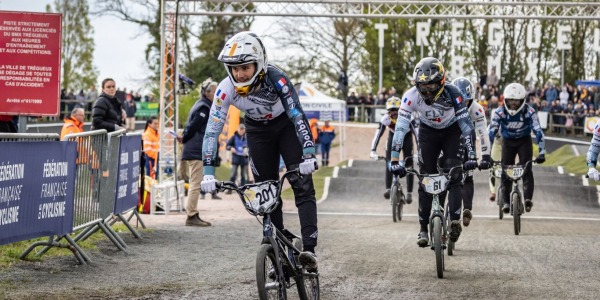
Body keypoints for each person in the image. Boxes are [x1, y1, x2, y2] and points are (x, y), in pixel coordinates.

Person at [200, 31, 319, 272]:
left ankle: (309, 250)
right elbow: (212, 131)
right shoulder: (225, 89)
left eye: (245, 67)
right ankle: (279, 254)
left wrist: (308, 152)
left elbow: (297, 115)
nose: (239, 74)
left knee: (301, 183)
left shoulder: (277, 78)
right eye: (234, 68)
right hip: (257, 131)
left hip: (285, 125)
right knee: (267, 190)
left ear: (260, 63)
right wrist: (208, 172)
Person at [388, 57, 478, 247]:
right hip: (428, 133)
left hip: (452, 131)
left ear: (442, 82)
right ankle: (422, 228)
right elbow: (401, 128)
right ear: (416, 84)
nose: (427, 91)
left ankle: (454, 221)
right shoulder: (410, 96)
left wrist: (473, 156)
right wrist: (395, 159)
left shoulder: (454, 93)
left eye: (432, 86)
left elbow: (467, 127)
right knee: (425, 176)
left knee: (455, 172)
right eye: (423, 87)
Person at [488, 83, 546, 214]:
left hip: (524, 141)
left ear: (522, 101)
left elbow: (538, 132)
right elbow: (491, 133)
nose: (513, 104)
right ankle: (506, 202)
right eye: (510, 100)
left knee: (527, 168)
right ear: (505, 100)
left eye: (516, 101)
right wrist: (487, 155)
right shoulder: (499, 112)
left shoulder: (529, 111)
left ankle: (528, 199)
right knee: (505, 170)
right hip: (507, 141)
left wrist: (542, 152)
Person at [448, 77, 492, 226]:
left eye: (465, 101)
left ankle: (467, 208)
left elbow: (483, 134)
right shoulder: (446, 106)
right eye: (459, 101)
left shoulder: (477, 110)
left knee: (468, 174)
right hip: (449, 141)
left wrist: (485, 156)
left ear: (471, 99)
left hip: (468, 143)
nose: (462, 105)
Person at [178, 79, 220, 227]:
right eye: (215, 91)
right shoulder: (204, 108)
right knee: (196, 184)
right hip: (196, 149)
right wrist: (184, 138)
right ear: (207, 93)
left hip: (195, 148)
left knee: (195, 183)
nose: (217, 94)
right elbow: (193, 126)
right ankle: (191, 215)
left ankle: (193, 213)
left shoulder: (202, 105)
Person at [369, 96, 414, 204]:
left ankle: (409, 192)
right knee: (389, 162)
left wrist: (420, 150)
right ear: (387, 111)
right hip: (393, 136)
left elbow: (417, 134)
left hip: (406, 136)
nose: (393, 113)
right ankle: (388, 188)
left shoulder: (408, 117)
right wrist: (373, 150)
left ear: (401, 109)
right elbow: (377, 135)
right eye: (391, 111)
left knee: (409, 163)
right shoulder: (385, 119)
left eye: (396, 110)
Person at [226, 124, 249, 191]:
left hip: (244, 158)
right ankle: (230, 189)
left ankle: (243, 190)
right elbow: (227, 146)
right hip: (235, 158)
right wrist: (231, 148)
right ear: (238, 129)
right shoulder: (233, 137)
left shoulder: (247, 138)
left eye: (243, 129)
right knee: (233, 174)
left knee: (243, 175)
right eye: (240, 129)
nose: (241, 131)